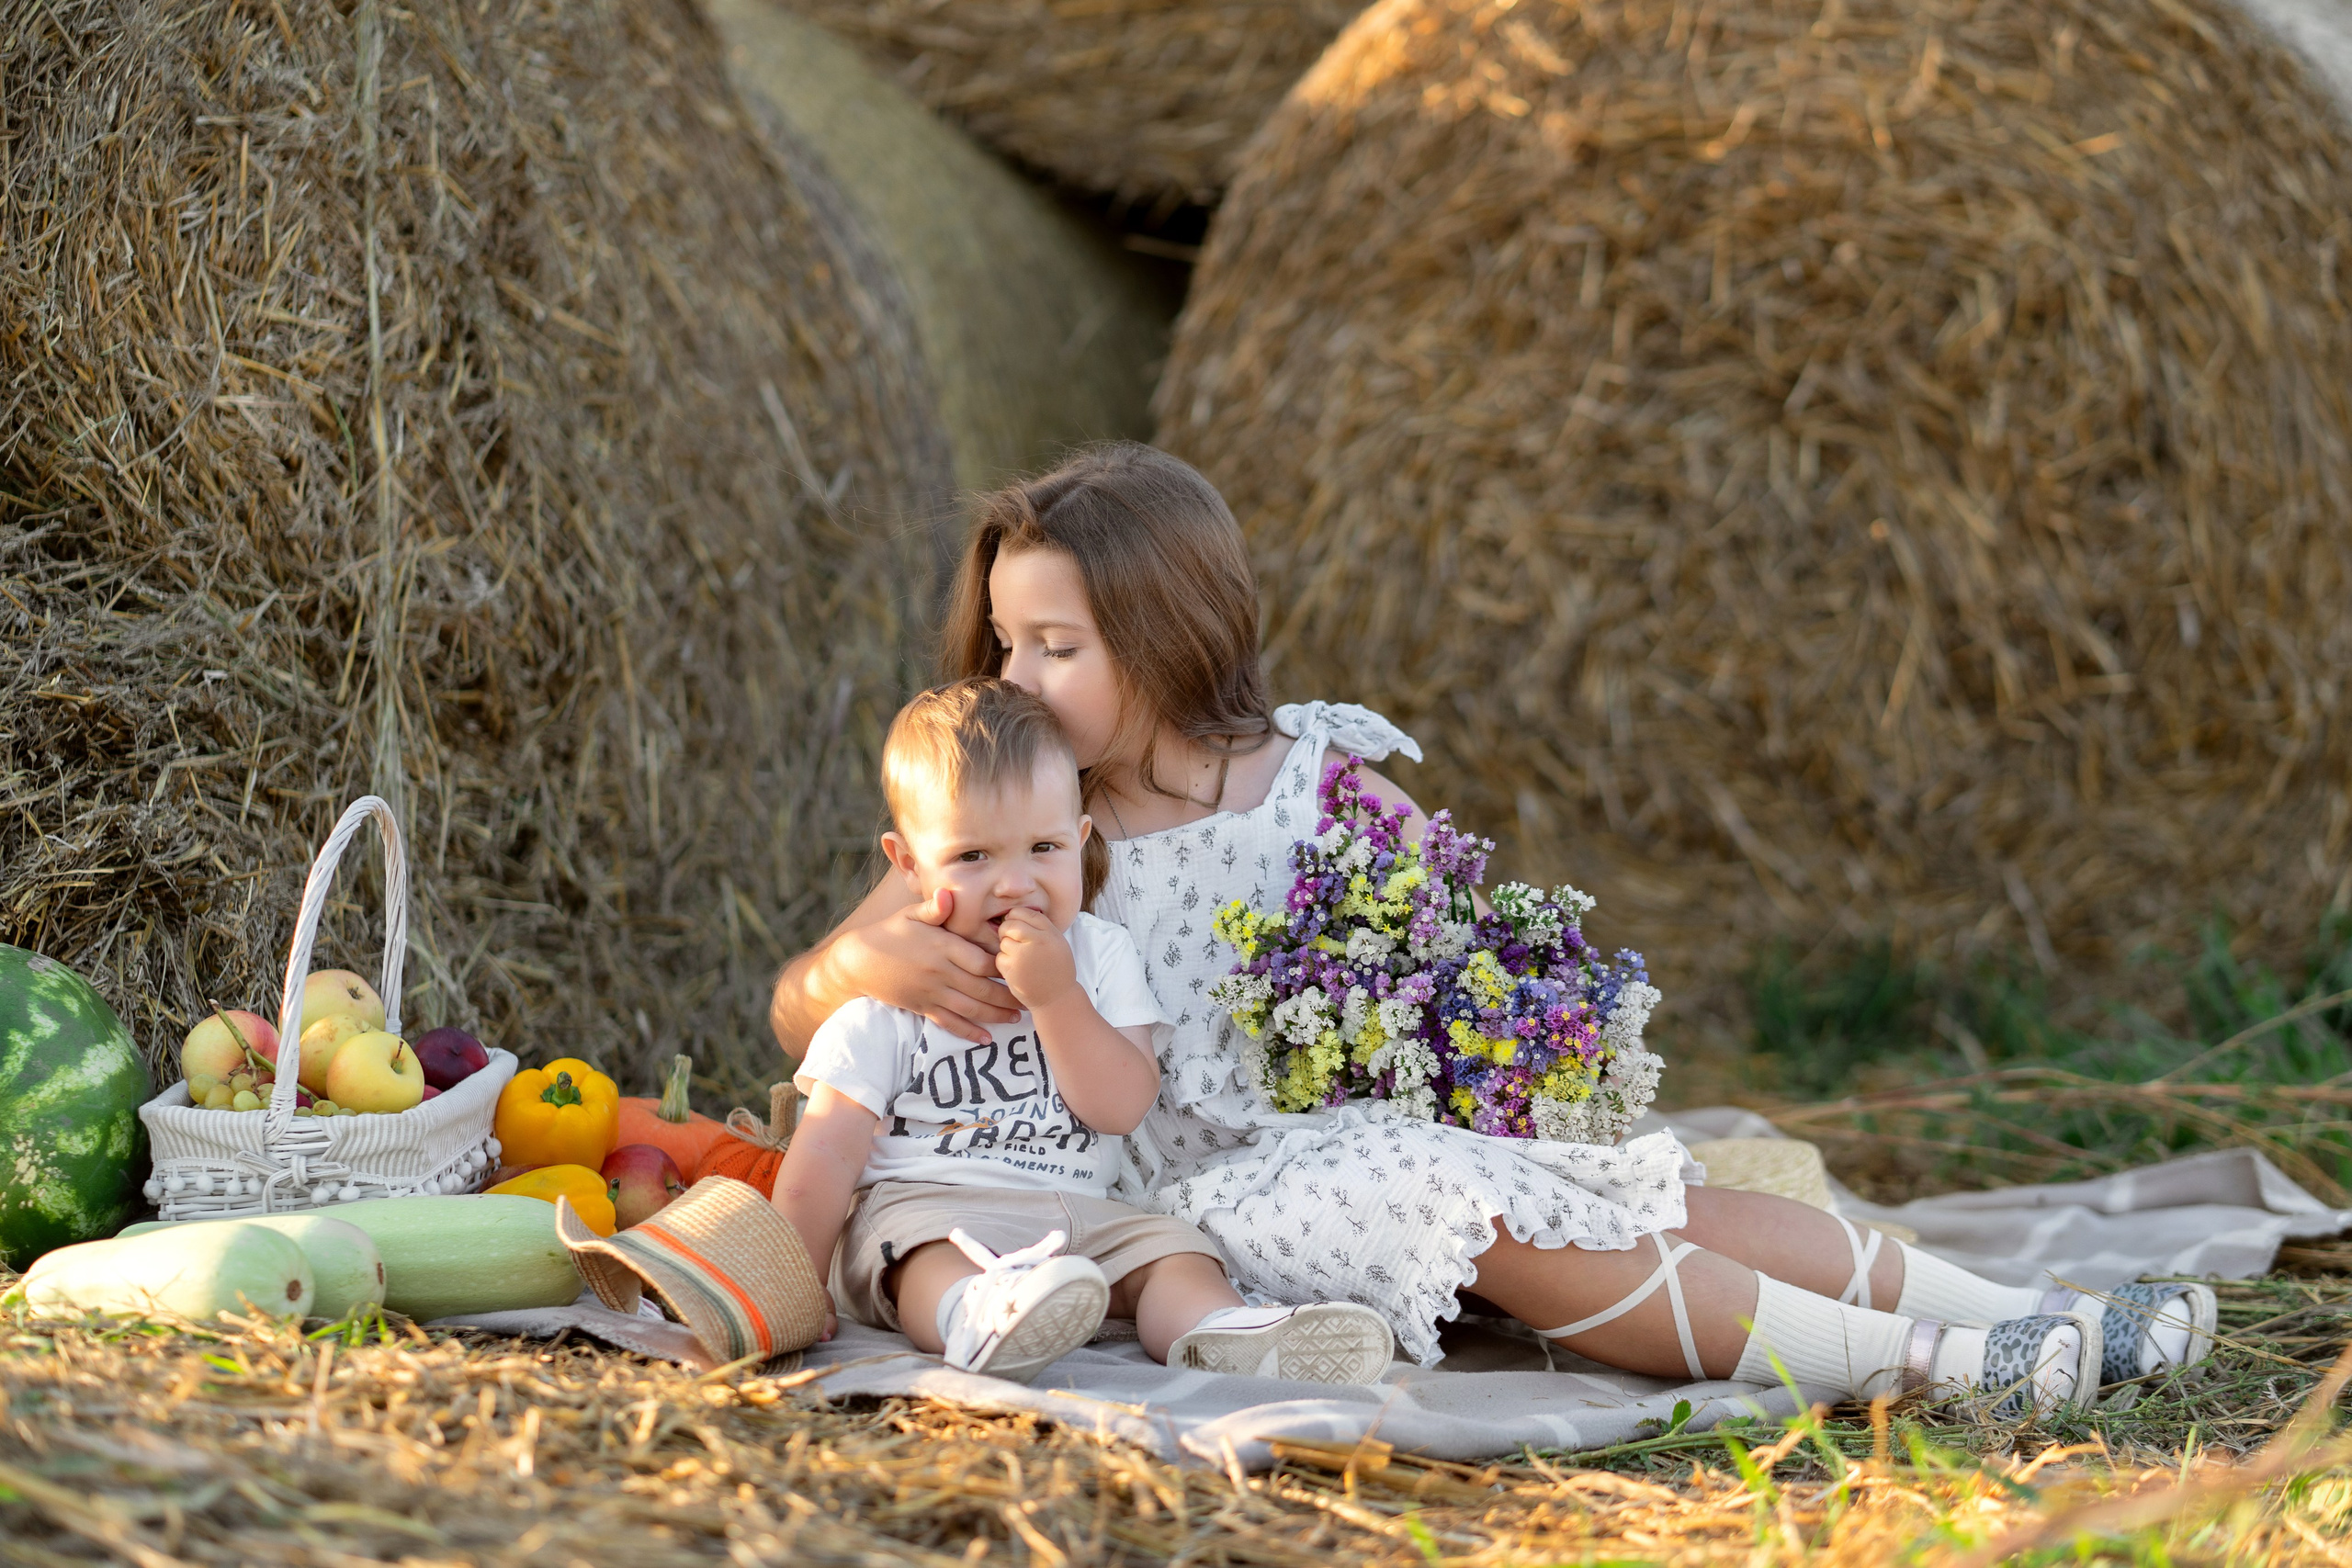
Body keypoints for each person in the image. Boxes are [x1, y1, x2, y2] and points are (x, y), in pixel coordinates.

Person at [771, 444, 2216, 1416]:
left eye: (1055, 643)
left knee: (1643, 1190)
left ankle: (2039, 1311)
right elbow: (815, 1012)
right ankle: (1932, 1363)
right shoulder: (1020, 824)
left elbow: (1453, 941)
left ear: (1167, 631)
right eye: (1011, 640)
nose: (1017, 668)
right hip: (1194, 1202)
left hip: (1361, 1124)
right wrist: (861, 962)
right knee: (1482, 1202)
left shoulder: (1312, 781)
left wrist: (1503, 1028)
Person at [772, 678, 1396, 1385]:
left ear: (1080, 840)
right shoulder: (892, 993)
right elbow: (822, 1154)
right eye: (974, 856)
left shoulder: (1099, 958)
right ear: (909, 864)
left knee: (1174, 1253)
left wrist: (1059, 997)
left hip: (1086, 1215)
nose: (1015, 884)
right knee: (922, 1260)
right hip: (934, 1209)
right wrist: (791, 1285)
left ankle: (1221, 1332)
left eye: (1043, 847)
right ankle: (974, 1313)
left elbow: (1121, 1104)